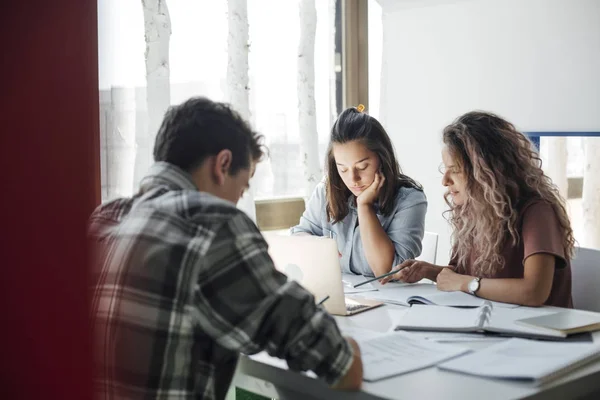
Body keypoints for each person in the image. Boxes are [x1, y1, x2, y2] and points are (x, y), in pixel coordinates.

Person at [89, 97, 363, 400]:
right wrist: (350, 349)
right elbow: (339, 365)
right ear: (222, 165)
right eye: (242, 187)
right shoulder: (212, 224)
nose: (237, 200)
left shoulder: (103, 220)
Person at [382, 111, 574, 308]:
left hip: (538, 331)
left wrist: (465, 283)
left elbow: (534, 292)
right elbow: (462, 277)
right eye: (445, 169)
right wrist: (427, 271)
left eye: (455, 170)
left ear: (487, 172)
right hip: (492, 323)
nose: (445, 181)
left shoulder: (538, 211)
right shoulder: (473, 212)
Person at [291, 105, 427, 277]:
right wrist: (319, 245)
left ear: (382, 158)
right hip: (341, 297)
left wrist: (364, 206)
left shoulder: (410, 200)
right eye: (343, 169)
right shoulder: (326, 191)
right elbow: (298, 235)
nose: (353, 179)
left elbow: (387, 271)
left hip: (389, 301)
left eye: (362, 167)